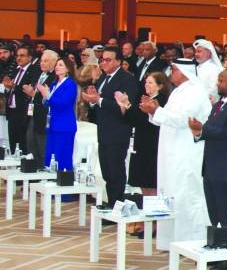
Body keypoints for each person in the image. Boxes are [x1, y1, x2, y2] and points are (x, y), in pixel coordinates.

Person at [143, 58, 211, 251]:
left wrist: (157, 110)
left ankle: (188, 242)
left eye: (174, 69)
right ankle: (170, 241)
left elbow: (184, 120)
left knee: (185, 194)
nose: (171, 73)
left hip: (186, 152)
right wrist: (152, 112)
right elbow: (165, 118)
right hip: (170, 151)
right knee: (170, 192)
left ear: (184, 71)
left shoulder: (195, 92)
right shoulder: (178, 91)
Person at [189, 69, 227, 270]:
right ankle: (217, 247)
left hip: (226, 165)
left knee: (225, 210)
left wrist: (204, 129)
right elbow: (210, 128)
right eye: (218, 80)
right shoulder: (219, 105)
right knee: (213, 209)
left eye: (222, 81)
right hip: (211, 164)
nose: (218, 84)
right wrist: (199, 131)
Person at [80, 47, 138, 207]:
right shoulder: (104, 78)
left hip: (118, 131)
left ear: (118, 61)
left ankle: (117, 204)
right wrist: (93, 100)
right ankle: (112, 202)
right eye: (102, 59)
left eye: (108, 60)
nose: (103, 62)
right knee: (107, 170)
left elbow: (126, 106)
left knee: (115, 170)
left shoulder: (127, 79)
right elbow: (100, 103)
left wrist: (98, 100)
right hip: (104, 130)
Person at [117, 71, 170, 206]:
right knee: (142, 181)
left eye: (150, 83)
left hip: (153, 145)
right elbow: (133, 118)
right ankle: (147, 214)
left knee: (151, 182)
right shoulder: (146, 99)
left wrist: (143, 110)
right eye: (146, 82)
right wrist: (126, 105)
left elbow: (150, 121)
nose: (146, 85)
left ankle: (154, 216)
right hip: (140, 143)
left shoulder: (162, 101)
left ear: (160, 86)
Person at [39, 57, 77, 171]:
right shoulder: (54, 84)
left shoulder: (70, 84)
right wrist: (45, 97)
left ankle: (63, 181)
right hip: (52, 123)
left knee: (62, 155)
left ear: (68, 69)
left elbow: (63, 104)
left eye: (60, 65)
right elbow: (49, 103)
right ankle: (51, 179)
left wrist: (48, 95)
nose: (57, 67)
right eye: (56, 65)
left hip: (64, 124)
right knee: (51, 153)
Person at [3, 46, 38, 154]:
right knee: (12, 139)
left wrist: (14, 86)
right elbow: (10, 88)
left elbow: (29, 89)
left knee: (23, 140)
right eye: (17, 55)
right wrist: (8, 88)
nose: (18, 58)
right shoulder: (15, 70)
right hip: (12, 109)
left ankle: (23, 163)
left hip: (23, 110)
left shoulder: (34, 71)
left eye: (22, 55)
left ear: (30, 57)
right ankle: (14, 157)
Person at [26, 50, 57, 168]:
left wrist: (34, 94)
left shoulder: (54, 77)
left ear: (54, 62)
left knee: (42, 145)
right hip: (33, 113)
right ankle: (33, 172)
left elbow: (49, 96)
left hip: (45, 116)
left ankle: (43, 171)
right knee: (31, 143)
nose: (42, 63)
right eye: (41, 61)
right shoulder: (39, 74)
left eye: (46, 61)